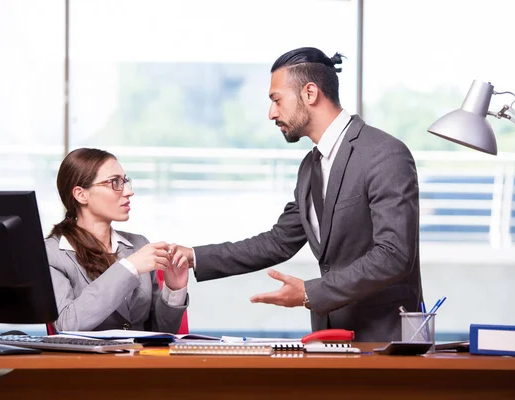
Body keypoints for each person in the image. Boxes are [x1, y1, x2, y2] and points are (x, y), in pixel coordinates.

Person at [170, 47, 422, 342]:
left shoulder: (384, 153)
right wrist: (194, 257)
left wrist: (308, 292)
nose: (271, 113)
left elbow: (393, 255)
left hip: (386, 340)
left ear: (310, 93)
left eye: (276, 100)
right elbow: (279, 241)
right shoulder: (310, 166)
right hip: (331, 336)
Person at [46, 148, 189, 333]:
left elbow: (160, 332)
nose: (129, 192)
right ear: (81, 194)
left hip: (139, 361)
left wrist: (173, 290)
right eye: (115, 182)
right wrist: (129, 268)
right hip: (87, 362)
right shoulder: (52, 254)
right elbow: (67, 324)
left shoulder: (138, 245)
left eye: (125, 181)